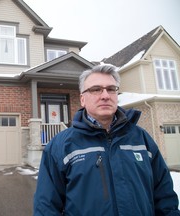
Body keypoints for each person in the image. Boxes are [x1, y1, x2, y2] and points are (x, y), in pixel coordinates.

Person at [33, 64, 180, 215]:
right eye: (96, 89)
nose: (105, 95)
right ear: (82, 99)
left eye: (111, 89)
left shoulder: (142, 140)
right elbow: (46, 207)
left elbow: (165, 199)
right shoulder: (60, 146)